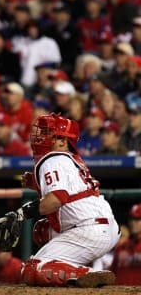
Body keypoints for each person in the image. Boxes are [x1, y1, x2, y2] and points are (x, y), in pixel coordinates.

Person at [12, 113, 119, 287]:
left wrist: (21, 213)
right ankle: (79, 268)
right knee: (42, 230)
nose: (41, 137)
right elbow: (71, 192)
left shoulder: (52, 158)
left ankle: (87, 273)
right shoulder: (70, 159)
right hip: (104, 227)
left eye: (48, 134)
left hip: (89, 230)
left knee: (33, 269)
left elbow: (55, 199)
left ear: (62, 141)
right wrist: (37, 183)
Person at [110, 203, 141, 285]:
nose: (133, 223)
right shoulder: (122, 246)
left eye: (137, 219)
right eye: (131, 219)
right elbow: (112, 273)